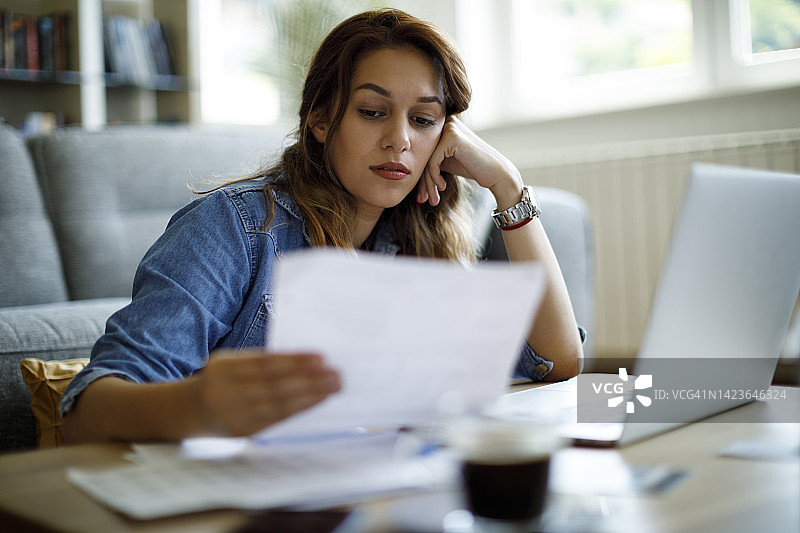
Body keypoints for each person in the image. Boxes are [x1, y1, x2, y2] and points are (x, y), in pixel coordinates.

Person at [62, 8, 584, 444]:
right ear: (320, 119)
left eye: (424, 120)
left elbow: (556, 361)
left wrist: (507, 184)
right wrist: (198, 405)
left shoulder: (421, 238)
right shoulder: (236, 227)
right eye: (373, 111)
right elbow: (86, 411)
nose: (400, 139)